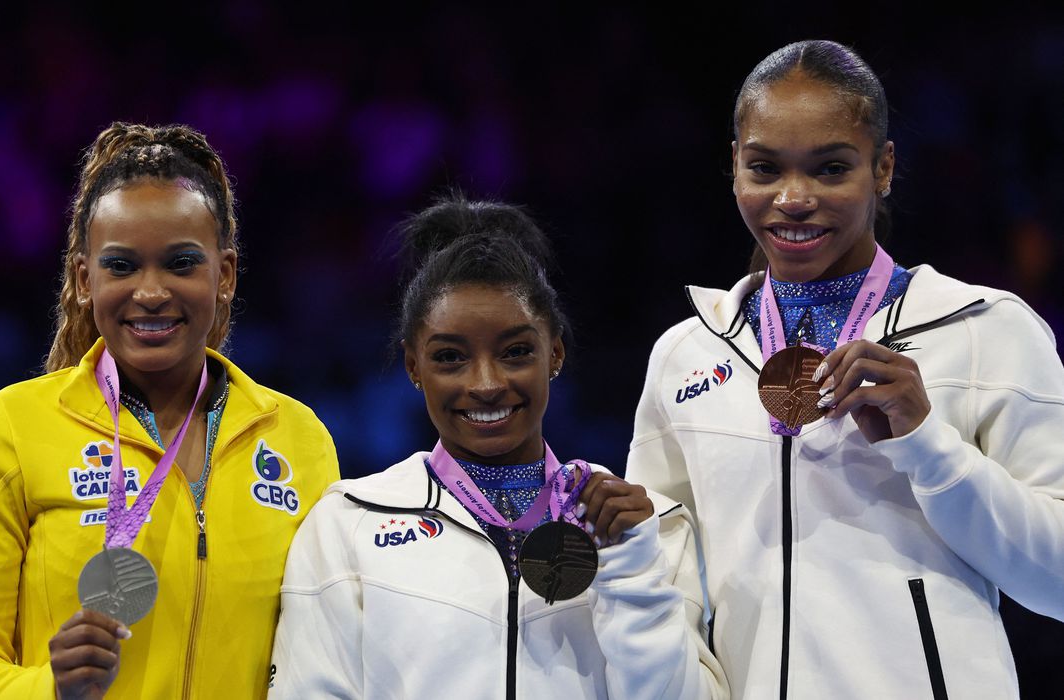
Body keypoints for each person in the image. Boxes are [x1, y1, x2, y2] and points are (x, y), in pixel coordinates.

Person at [626, 39, 1064, 699]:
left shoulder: (986, 331)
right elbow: (667, 585)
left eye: (830, 169)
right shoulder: (686, 357)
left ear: (883, 168)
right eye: (764, 168)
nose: (793, 198)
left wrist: (929, 446)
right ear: (735, 166)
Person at [0, 122, 340, 699]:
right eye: (121, 266)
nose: (150, 292)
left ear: (224, 275)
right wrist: (50, 689)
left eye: (181, 263)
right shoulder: (7, 433)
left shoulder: (299, 440)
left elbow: (325, 658)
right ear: (83, 279)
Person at [268, 195, 728, 698]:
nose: (486, 384)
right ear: (413, 366)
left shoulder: (648, 526)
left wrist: (631, 574)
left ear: (555, 353)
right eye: (450, 357)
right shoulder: (348, 525)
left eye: (515, 352)